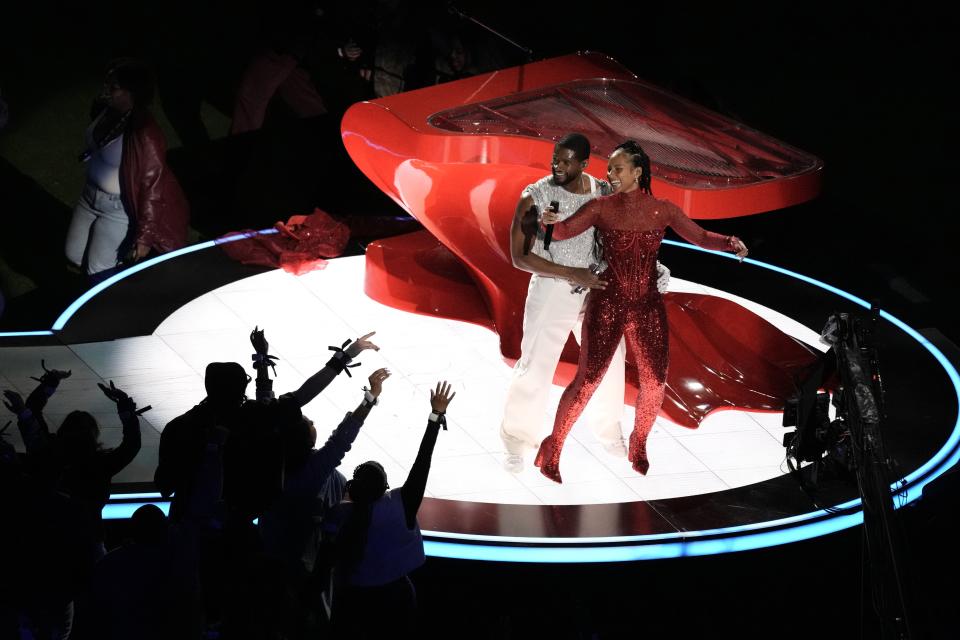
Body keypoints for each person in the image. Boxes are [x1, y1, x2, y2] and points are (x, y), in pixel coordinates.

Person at [536, 140, 749, 482]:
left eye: (617, 169)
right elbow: (562, 232)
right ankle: (553, 447)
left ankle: (639, 442)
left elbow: (699, 236)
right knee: (588, 380)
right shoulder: (601, 207)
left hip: (647, 306)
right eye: (609, 169)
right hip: (607, 302)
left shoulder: (662, 209)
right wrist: (549, 222)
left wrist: (728, 242)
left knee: (655, 382)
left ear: (637, 172)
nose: (610, 174)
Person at [500, 132, 670, 473]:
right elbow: (519, 257)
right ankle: (517, 441)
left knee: (609, 362)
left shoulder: (602, 191)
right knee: (536, 363)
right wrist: (571, 273)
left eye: (565, 161)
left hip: (597, 285)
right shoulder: (534, 197)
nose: (557, 166)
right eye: (555, 159)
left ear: (583, 163)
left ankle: (609, 433)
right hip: (553, 287)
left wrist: (654, 267)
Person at [326, 381, 456, 638]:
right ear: (385, 486)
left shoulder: (339, 514)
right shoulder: (400, 504)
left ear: (352, 487)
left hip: (354, 597)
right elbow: (423, 461)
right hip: (395, 596)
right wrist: (435, 417)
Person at [65, 58, 189, 278]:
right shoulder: (105, 111)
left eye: (114, 87)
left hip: (117, 209)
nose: (107, 90)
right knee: (73, 254)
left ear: (131, 92)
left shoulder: (146, 134)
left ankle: (103, 305)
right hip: (89, 197)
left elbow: (153, 186)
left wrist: (145, 237)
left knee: (99, 270)